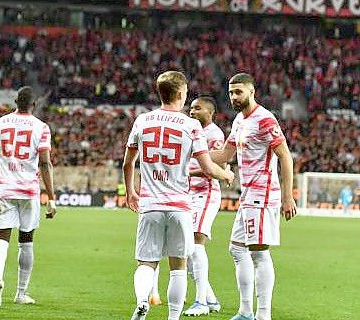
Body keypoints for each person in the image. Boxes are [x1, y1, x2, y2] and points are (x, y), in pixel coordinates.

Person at [123, 71, 233, 320]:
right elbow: (207, 167)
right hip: (180, 205)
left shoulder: (142, 120)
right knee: (178, 266)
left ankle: (142, 301)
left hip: (150, 204)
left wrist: (131, 191)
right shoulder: (191, 125)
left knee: (146, 263)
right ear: (182, 94)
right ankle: (173, 317)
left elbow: (128, 163)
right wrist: (226, 176)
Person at [210, 73, 296, 320]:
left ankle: (263, 315)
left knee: (258, 253)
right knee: (237, 249)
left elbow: (285, 156)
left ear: (251, 91)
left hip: (263, 193)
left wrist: (287, 196)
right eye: (230, 93)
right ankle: (246, 311)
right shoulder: (239, 121)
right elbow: (225, 155)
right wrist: (195, 152)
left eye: (238, 92)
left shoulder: (265, 119)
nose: (234, 97)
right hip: (247, 194)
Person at [0, 86, 56, 308]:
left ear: (15, 101)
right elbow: (44, 162)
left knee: (0, 240)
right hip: (29, 191)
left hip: (5, 189)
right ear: (34, 105)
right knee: (26, 242)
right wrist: (51, 197)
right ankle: (21, 293)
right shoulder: (41, 128)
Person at [183, 96, 227, 316]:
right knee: (187, 248)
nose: (192, 112)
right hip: (188, 193)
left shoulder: (215, 134)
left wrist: (186, 172)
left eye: (197, 109)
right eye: (190, 108)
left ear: (210, 112)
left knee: (196, 243)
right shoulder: (191, 132)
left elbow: (219, 166)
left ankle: (200, 301)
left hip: (205, 193)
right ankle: (210, 299)